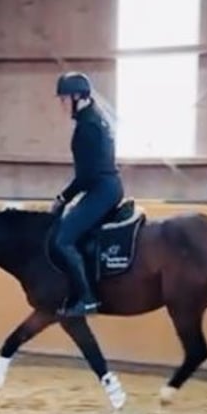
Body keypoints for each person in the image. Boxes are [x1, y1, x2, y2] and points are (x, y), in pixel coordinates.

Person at [49, 71, 124, 318]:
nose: (61, 104)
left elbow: (86, 176)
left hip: (101, 189)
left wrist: (63, 198)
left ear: (77, 97)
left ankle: (88, 299)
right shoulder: (96, 119)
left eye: (63, 99)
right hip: (106, 187)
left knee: (63, 239)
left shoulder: (87, 127)